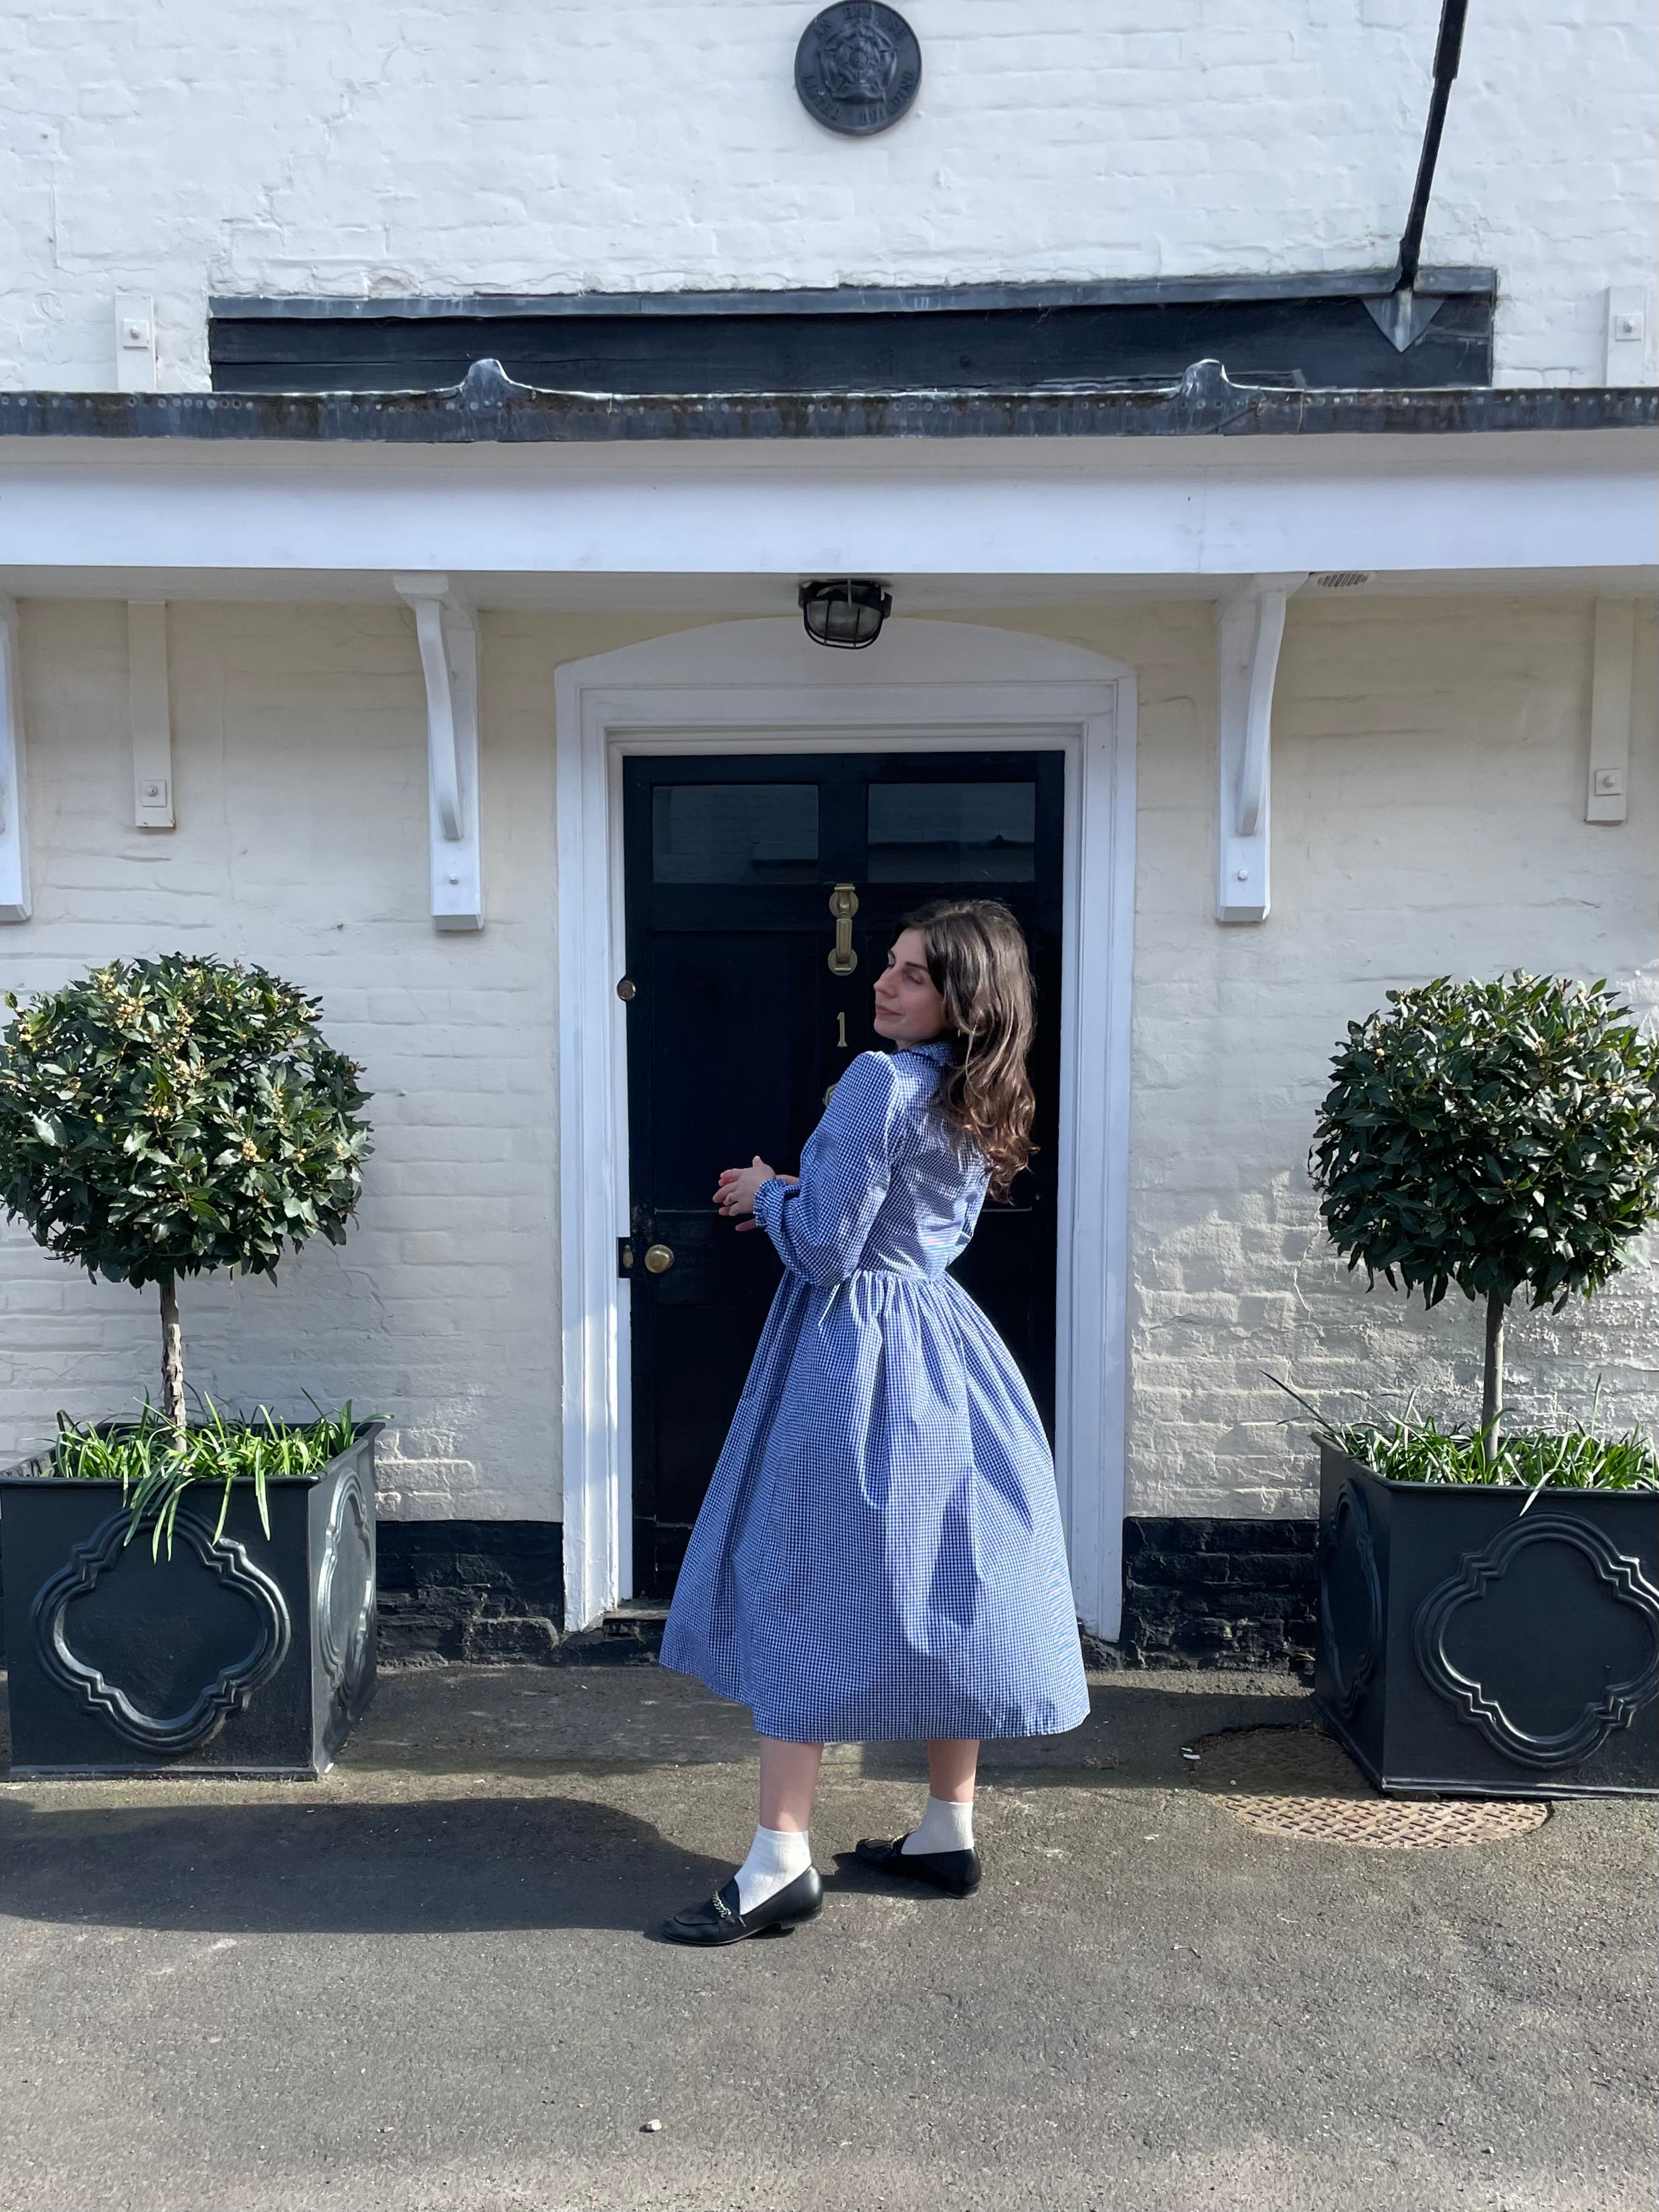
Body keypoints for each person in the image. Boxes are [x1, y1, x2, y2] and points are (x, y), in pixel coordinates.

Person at [658, 897, 1089, 1945]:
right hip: (950, 1350)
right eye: (887, 966)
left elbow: (822, 1250)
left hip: (856, 1354)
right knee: (953, 1574)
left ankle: (778, 1864)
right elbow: (900, 1213)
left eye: (910, 974)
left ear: (962, 996)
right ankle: (948, 1827)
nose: (882, 985)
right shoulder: (980, 1089)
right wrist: (809, 1188)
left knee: (801, 1575)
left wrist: (766, 1194)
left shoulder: (877, 1079)